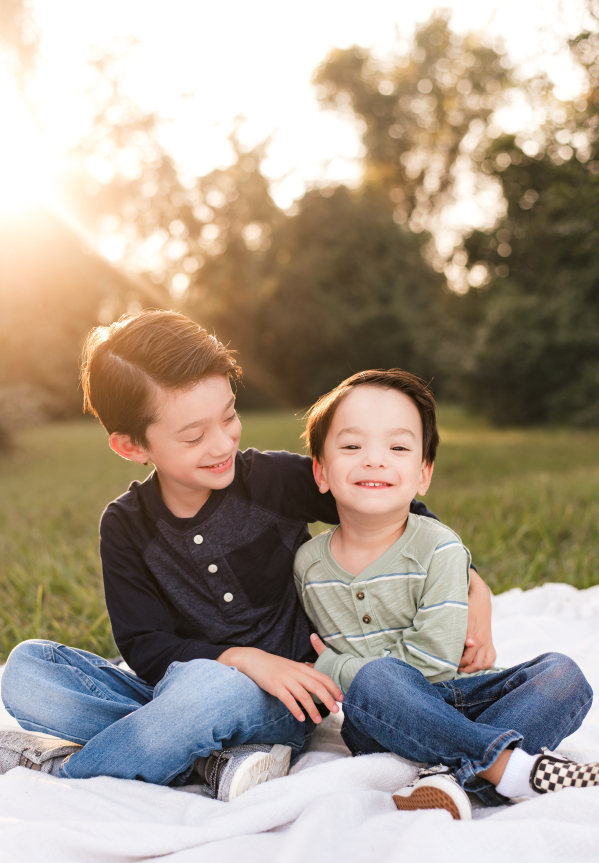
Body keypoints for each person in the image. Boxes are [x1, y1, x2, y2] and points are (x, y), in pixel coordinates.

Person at [0, 311, 494, 802]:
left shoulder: (271, 480)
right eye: (193, 436)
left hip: (287, 696)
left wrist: (473, 584)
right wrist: (241, 658)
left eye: (229, 416)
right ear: (131, 446)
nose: (222, 444)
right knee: (27, 670)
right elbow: (145, 647)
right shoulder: (125, 526)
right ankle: (207, 756)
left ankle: (68, 773)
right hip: (185, 687)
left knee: (210, 694)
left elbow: (393, 508)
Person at [294, 368, 598, 820]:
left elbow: (436, 658)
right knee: (376, 680)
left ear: (423, 475)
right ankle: (508, 769)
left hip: (460, 694)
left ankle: (447, 779)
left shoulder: (441, 547)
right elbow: (339, 672)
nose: (375, 460)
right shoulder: (308, 563)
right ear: (320, 471)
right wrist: (339, 669)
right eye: (352, 446)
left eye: (397, 447)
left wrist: (337, 664)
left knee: (563, 675)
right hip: (379, 717)